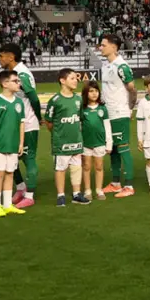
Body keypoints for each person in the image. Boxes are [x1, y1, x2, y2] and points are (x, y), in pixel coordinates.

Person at [0, 42, 43, 209]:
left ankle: (29, 195)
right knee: (11, 157)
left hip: (28, 124)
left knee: (28, 159)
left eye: (1, 56)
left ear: (11, 56)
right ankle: (21, 188)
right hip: (14, 124)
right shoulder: (13, 73)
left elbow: (34, 98)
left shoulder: (22, 74)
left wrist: (38, 117)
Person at [98, 33, 137, 198]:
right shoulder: (105, 66)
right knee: (112, 149)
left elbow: (132, 89)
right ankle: (115, 183)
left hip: (119, 113)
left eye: (103, 45)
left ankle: (129, 186)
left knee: (123, 148)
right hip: (108, 114)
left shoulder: (122, 66)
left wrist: (129, 109)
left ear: (114, 47)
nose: (100, 47)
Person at [0, 70, 26, 217]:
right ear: (5, 83)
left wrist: (21, 143)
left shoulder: (19, 102)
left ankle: (7, 204)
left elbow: (21, 124)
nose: (18, 83)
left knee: (10, 173)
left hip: (13, 145)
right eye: (15, 81)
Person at [44, 68, 85, 207]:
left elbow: (80, 119)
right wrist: (58, 134)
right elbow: (48, 122)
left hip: (76, 140)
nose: (76, 81)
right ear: (62, 80)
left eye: (76, 78)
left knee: (76, 167)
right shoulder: (55, 100)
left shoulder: (79, 99)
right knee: (61, 168)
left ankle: (77, 194)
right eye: (72, 78)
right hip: (61, 142)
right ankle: (60, 195)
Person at [80, 81, 112, 200]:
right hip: (86, 143)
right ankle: (87, 190)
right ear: (86, 93)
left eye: (96, 91)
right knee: (86, 166)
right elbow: (79, 127)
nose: (94, 94)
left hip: (99, 142)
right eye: (91, 91)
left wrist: (109, 143)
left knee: (99, 166)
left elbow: (107, 127)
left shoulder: (103, 108)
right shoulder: (82, 109)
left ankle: (99, 190)